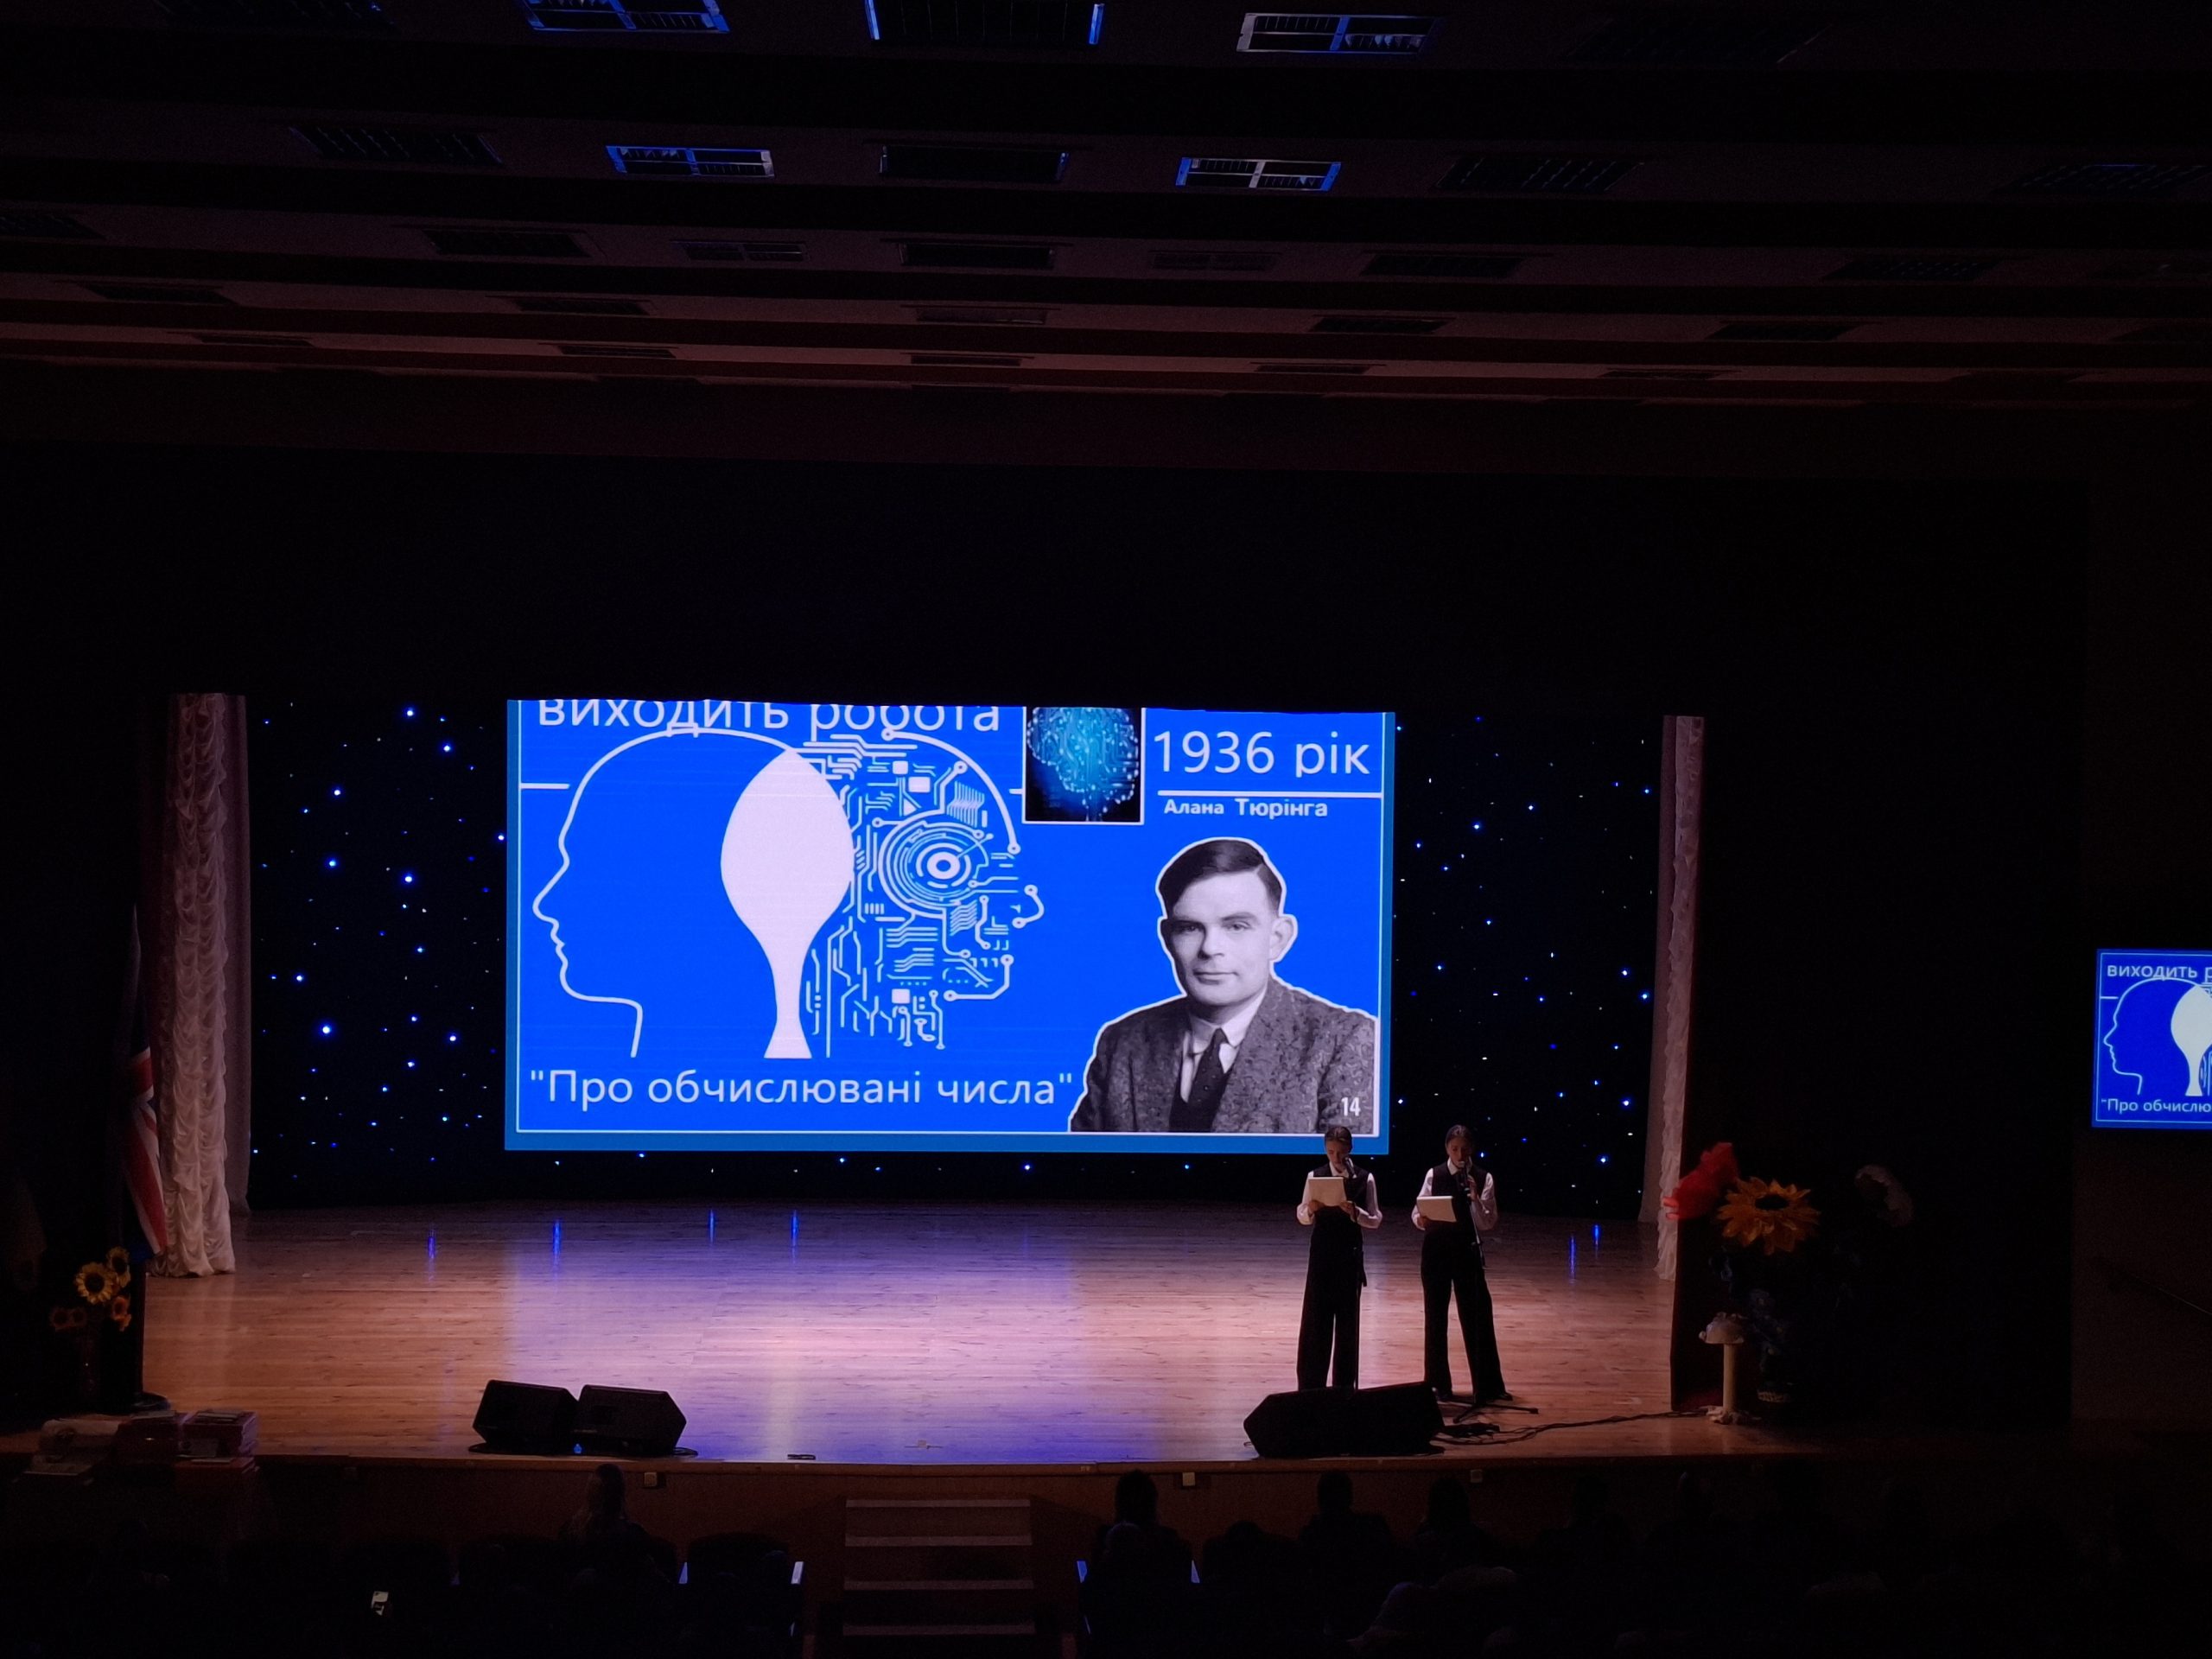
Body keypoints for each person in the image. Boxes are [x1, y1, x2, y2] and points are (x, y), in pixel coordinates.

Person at [1068, 837, 1378, 1135]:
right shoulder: (1123, 1042)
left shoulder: (1344, 1042)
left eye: (1236, 926)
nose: (1210, 948)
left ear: (1278, 938)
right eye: (1189, 928)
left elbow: (1346, 1169)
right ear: (1167, 939)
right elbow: (1079, 1167)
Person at [1411, 1124, 1508, 1404]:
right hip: (1436, 1253)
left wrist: (1475, 1199)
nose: (1460, 1154)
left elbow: (1487, 1223)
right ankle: (1437, 1385)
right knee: (1435, 1319)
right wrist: (1422, 1219)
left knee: (1477, 1317)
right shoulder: (1435, 1174)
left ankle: (1488, 1386)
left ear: (1472, 1149)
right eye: (1454, 1149)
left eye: (1464, 1149)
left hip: (1467, 1253)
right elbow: (1418, 1211)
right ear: (1447, 1149)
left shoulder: (1483, 1178)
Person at [1296, 1125, 1381, 1388]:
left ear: (1350, 1149)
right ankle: (1311, 1386)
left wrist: (1356, 1213)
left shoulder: (1364, 1178)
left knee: (1347, 1325)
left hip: (1349, 1257)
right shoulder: (1315, 1176)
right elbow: (1302, 1214)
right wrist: (1311, 1210)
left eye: (1341, 1152)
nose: (1336, 1157)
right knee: (1316, 1321)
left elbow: (1375, 1219)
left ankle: (1343, 1387)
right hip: (1322, 1257)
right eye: (1331, 1152)